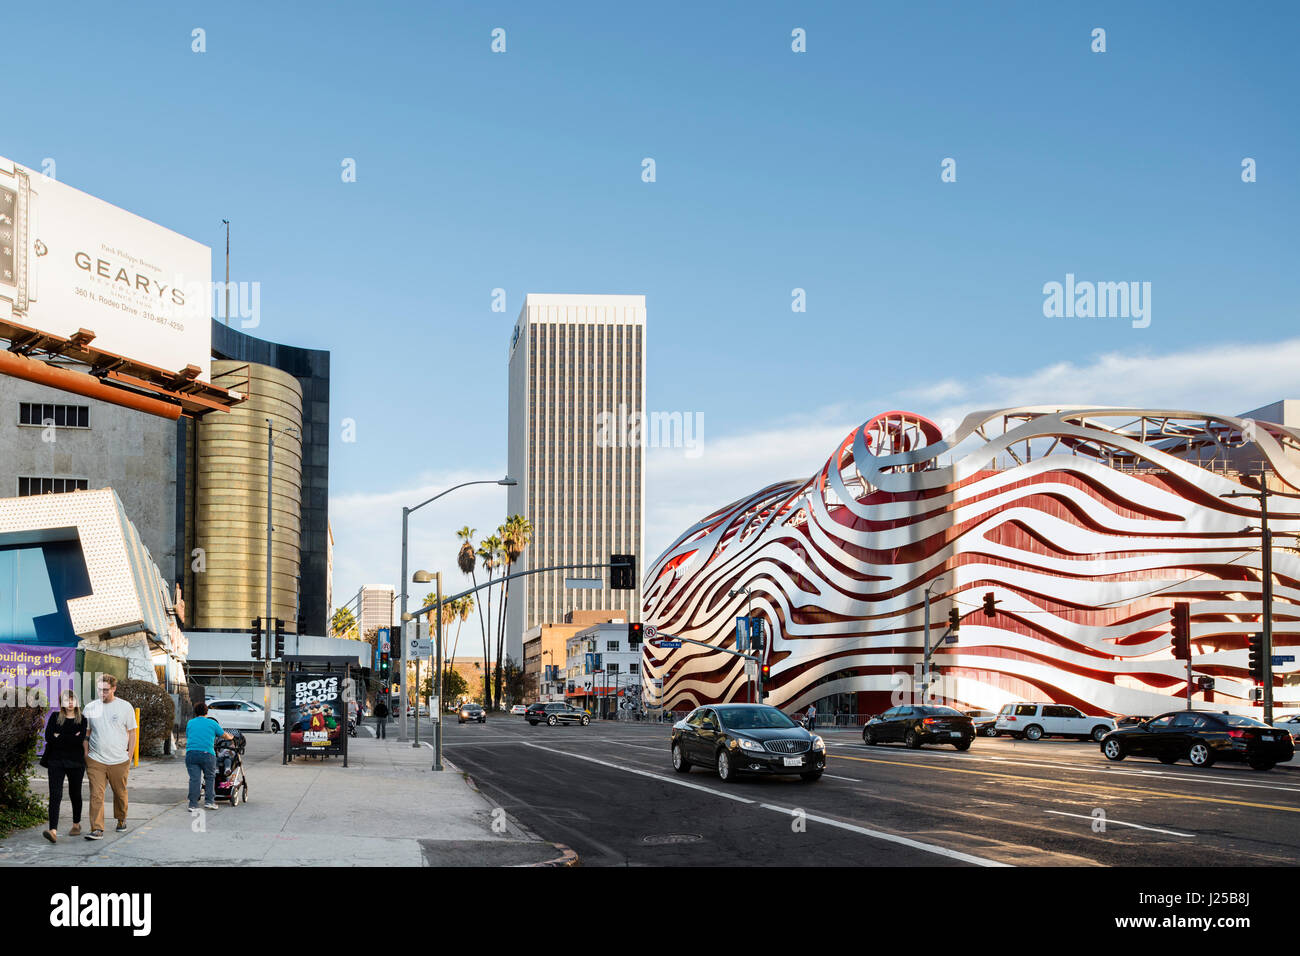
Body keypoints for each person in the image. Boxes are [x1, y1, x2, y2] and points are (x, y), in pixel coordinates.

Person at [83, 675, 137, 840]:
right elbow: (87, 732)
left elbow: (132, 731)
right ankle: (97, 828)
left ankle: (121, 819)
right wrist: (86, 754)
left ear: (113, 689)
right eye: (99, 689)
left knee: (120, 793)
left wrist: (129, 754)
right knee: (96, 794)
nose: (102, 693)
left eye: (105, 690)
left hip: (119, 760)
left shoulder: (125, 707)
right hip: (96, 759)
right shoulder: (90, 707)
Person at [42, 688, 88, 843]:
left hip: (76, 762)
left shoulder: (82, 720)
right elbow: (49, 737)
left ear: (76, 701)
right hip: (56, 761)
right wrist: (69, 738)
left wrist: (60, 736)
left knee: (75, 794)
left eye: (72, 699)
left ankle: (76, 824)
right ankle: (53, 830)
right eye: (66, 700)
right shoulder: (55, 717)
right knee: (55, 795)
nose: (70, 703)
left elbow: (79, 740)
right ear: (61, 703)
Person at [185, 702, 232, 812]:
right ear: (206, 712)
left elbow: (189, 735)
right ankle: (209, 802)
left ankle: (193, 804)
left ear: (195, 712)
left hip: (191, 753)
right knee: (210, 778)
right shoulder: (212, 723)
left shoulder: (190, 723)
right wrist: (230, 737)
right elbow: (223, 735)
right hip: (207, 754)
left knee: (194, 779)